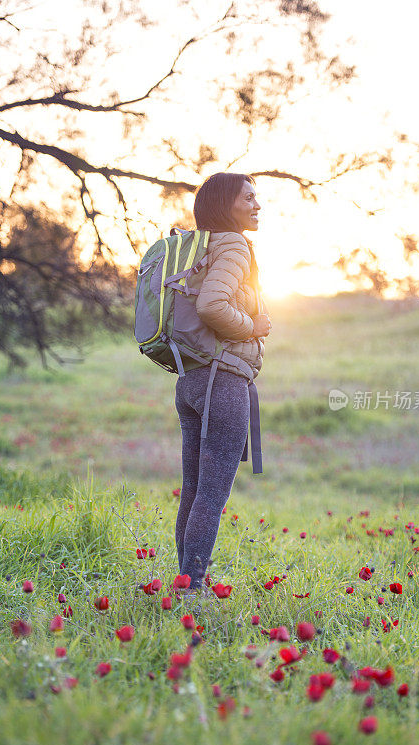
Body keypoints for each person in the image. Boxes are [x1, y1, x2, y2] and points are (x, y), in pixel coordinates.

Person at [174, 172, 272, 596]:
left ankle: (183, 582)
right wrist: (252, 327)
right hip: (223, 381)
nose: (257, 205)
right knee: (210, 497)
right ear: (225, 206)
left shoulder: (202, 247)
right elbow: (213, 304)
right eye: (248, 198)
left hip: (192, 380)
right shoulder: (232, 244)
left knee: (195, 490)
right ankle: (192, 589)